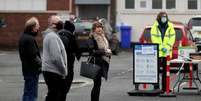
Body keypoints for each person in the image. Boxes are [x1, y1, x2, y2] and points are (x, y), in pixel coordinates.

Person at [42, 15, 67, 101]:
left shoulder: (52, 35)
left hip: (51, 71)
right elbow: (56, 57)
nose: (61, 24)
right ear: (52, 25)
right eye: (59, 22)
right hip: (53, 72)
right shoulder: (52, 36)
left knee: (52, 95)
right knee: (54, 96)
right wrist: (63, 71)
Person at [150, 12, 176, 92]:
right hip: (157, 52)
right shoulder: (154, 27)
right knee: (156, 71)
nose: (164, 18)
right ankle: (156, 87)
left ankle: (165, 88)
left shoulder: (170, 26)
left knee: (166, 72)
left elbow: (172, 38)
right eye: (162, 17)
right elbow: (154, 39)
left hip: (167, 52)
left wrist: (167, 46)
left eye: (165, 16)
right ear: (159, 17)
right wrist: (161, 47)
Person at [18, 17, 41, 101]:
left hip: (27, 69)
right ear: (32, 27)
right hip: (32, 70)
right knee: (32, 94)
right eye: (37, 26)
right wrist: (41, 64)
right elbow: (33, 57)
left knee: (27, 92)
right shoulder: (29, 39)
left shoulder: (24, 37)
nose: (39, 28)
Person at [57, 20, 81, 101]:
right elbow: (78, 51)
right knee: (65, 88)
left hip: (57, 66)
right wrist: (77, 56)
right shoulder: (70, 36)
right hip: (68, 66)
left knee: (58, 89)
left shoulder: (57, 34)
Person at [89, 22, 112, 101]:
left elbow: (107, 47)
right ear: (94, 29)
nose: (99, 29)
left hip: (102, 63)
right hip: (95, 63)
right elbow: (92, 51)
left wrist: (108, 52)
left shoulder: (103, 37)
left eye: (100, 27)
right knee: (97, 84)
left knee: (98, 84)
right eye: (97, 27)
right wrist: (104, 52)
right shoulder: (92, 38)